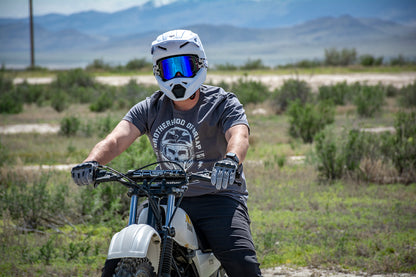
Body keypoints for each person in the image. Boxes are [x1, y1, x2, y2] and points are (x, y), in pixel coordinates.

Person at [71, 29, 262, 277]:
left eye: (184, 67)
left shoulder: (222, 103)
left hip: (217, 195)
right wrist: (91, 161)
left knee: (242, 262)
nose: (178, 76)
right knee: (118, 261)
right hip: (166, 197)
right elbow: (116, 139)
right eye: (170, 69)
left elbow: (239, 136)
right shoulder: (151, 107)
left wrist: (230, 160)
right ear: (158, 72)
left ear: (200, 64)